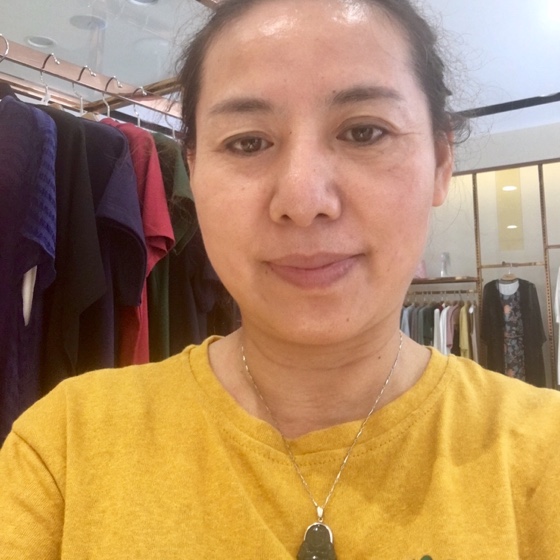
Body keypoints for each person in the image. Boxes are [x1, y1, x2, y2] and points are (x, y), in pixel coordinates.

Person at [1, 0, 560, 557]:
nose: (303, 200)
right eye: (247, 142)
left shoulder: (542, 456)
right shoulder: (66, 448)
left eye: (364, 132)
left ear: (441, 163)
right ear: (193, 170)